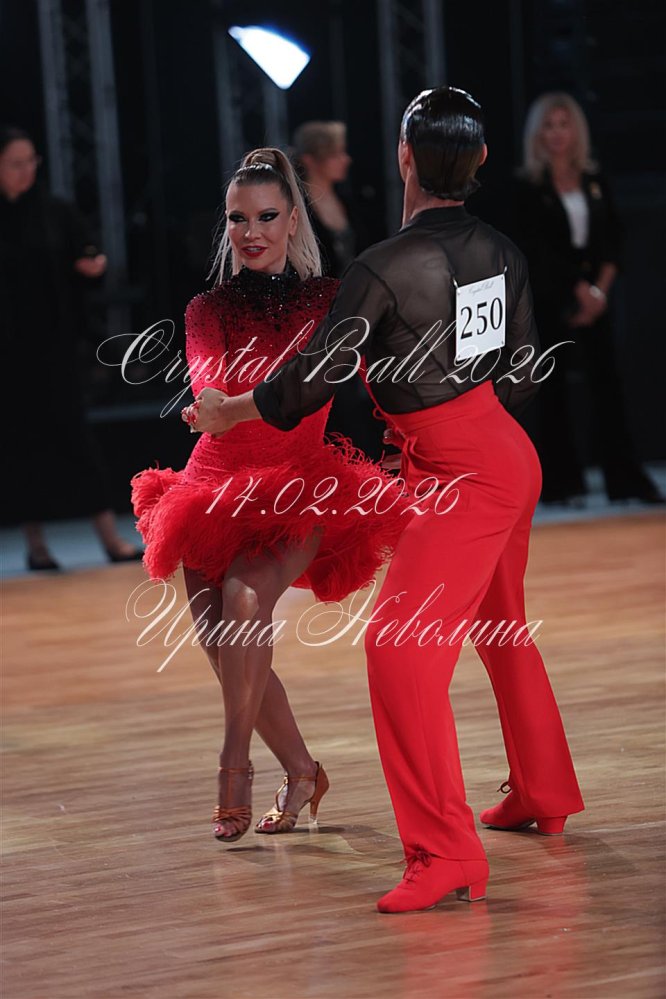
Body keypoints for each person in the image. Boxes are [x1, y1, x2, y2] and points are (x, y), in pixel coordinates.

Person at [187, 88, 585, 912]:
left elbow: (309, 383)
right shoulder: (502, 248)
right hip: (508, 453)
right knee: (500, 626)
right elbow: (521, 370)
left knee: (398, 651)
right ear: (480, 161)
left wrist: (230, 411)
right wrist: (455, 418)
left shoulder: (384, 267)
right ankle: (542, 790)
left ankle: (445, 853)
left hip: (463, 473)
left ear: (405, 157)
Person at [131, 148, 408, 844]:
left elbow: (340, 381)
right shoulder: (207, 307)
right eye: (237, 219)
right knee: (229, 654)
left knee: (245, 600)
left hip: (298, 486)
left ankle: (233, 767)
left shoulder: (329, 300)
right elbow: (207, 376)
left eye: (265, 216)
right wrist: (215, 403)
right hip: (211, 489)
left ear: (292, 222)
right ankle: (304, 771)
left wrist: (234, 406)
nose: (250, 231)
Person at [0, 125, 143, 569]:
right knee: (18, 444)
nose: (27, 170)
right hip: (8, 353)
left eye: (31, 161)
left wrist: (90, 264)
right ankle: (36, 546)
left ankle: (109, 537)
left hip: (55, 345)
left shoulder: (54, 211)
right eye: (16, 163)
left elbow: (87, 253)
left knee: (76, 438)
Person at [512, 93, 662, 505]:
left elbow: (612, 239)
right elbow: (536, 249)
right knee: (555, 392)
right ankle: (563, 484)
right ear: (537, 134)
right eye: (549, 125)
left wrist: (599, 291)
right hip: (552, 299)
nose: (557, 133)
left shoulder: (594, 180)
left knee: (609, 389)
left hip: (597, 299)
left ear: (576, 130)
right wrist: (576, 288)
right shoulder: (529, 187)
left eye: (564, 124)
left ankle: (625, 480)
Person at [293, 120, 386, 463]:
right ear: (312, 160)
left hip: (357, 316)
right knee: (338, 408)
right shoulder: (299, 211)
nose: (345, 160)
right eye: (336, 154)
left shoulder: (348, 199)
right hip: (320, 324)